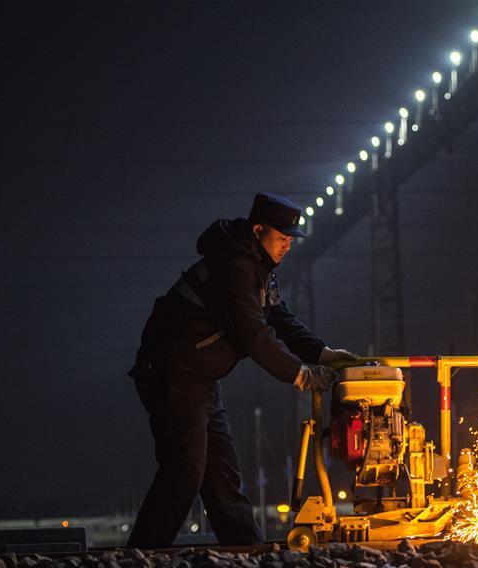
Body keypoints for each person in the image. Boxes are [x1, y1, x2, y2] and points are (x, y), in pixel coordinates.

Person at [127, 193, 358, 547]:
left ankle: (250, 554)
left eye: (290, 240)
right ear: (257, 229)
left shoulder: (258, 267)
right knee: (185, 471)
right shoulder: (233, 266)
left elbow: (278, 318)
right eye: (281, 238)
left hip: (199, 379)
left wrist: (321, 353)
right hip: (173, 373)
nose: (287, 247)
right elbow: (254, 334)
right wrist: (302, 374)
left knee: (221, 478)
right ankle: (141, 556)